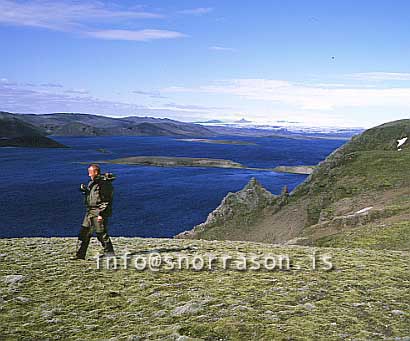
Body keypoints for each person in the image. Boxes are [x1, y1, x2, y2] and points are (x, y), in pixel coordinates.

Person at [72, 163, 115, 260]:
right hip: (90, 211)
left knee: (101, 233)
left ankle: (109, 254)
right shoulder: (92, 183)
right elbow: (93, 196)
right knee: (84, 232)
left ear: (95, 172)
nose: (89, 175)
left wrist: (101, 214)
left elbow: (106, 200)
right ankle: (79, 255)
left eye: (90, 172)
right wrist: (85, 191)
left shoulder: (104, 184)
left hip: (98, 212)